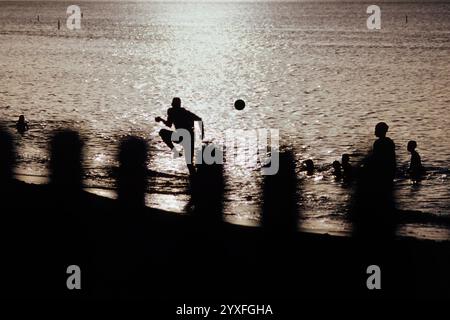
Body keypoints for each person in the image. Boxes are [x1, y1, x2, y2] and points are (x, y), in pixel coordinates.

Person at [156, 97, 204, 174]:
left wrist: (202, 136)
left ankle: (195, 178)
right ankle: (176, 152)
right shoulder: (180, 112)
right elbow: (199, 119)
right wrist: (202, 135)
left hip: (186, 138)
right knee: (189, 164)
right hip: (185, 137)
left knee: (189, 164)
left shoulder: (173, 111)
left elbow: (168, 124)